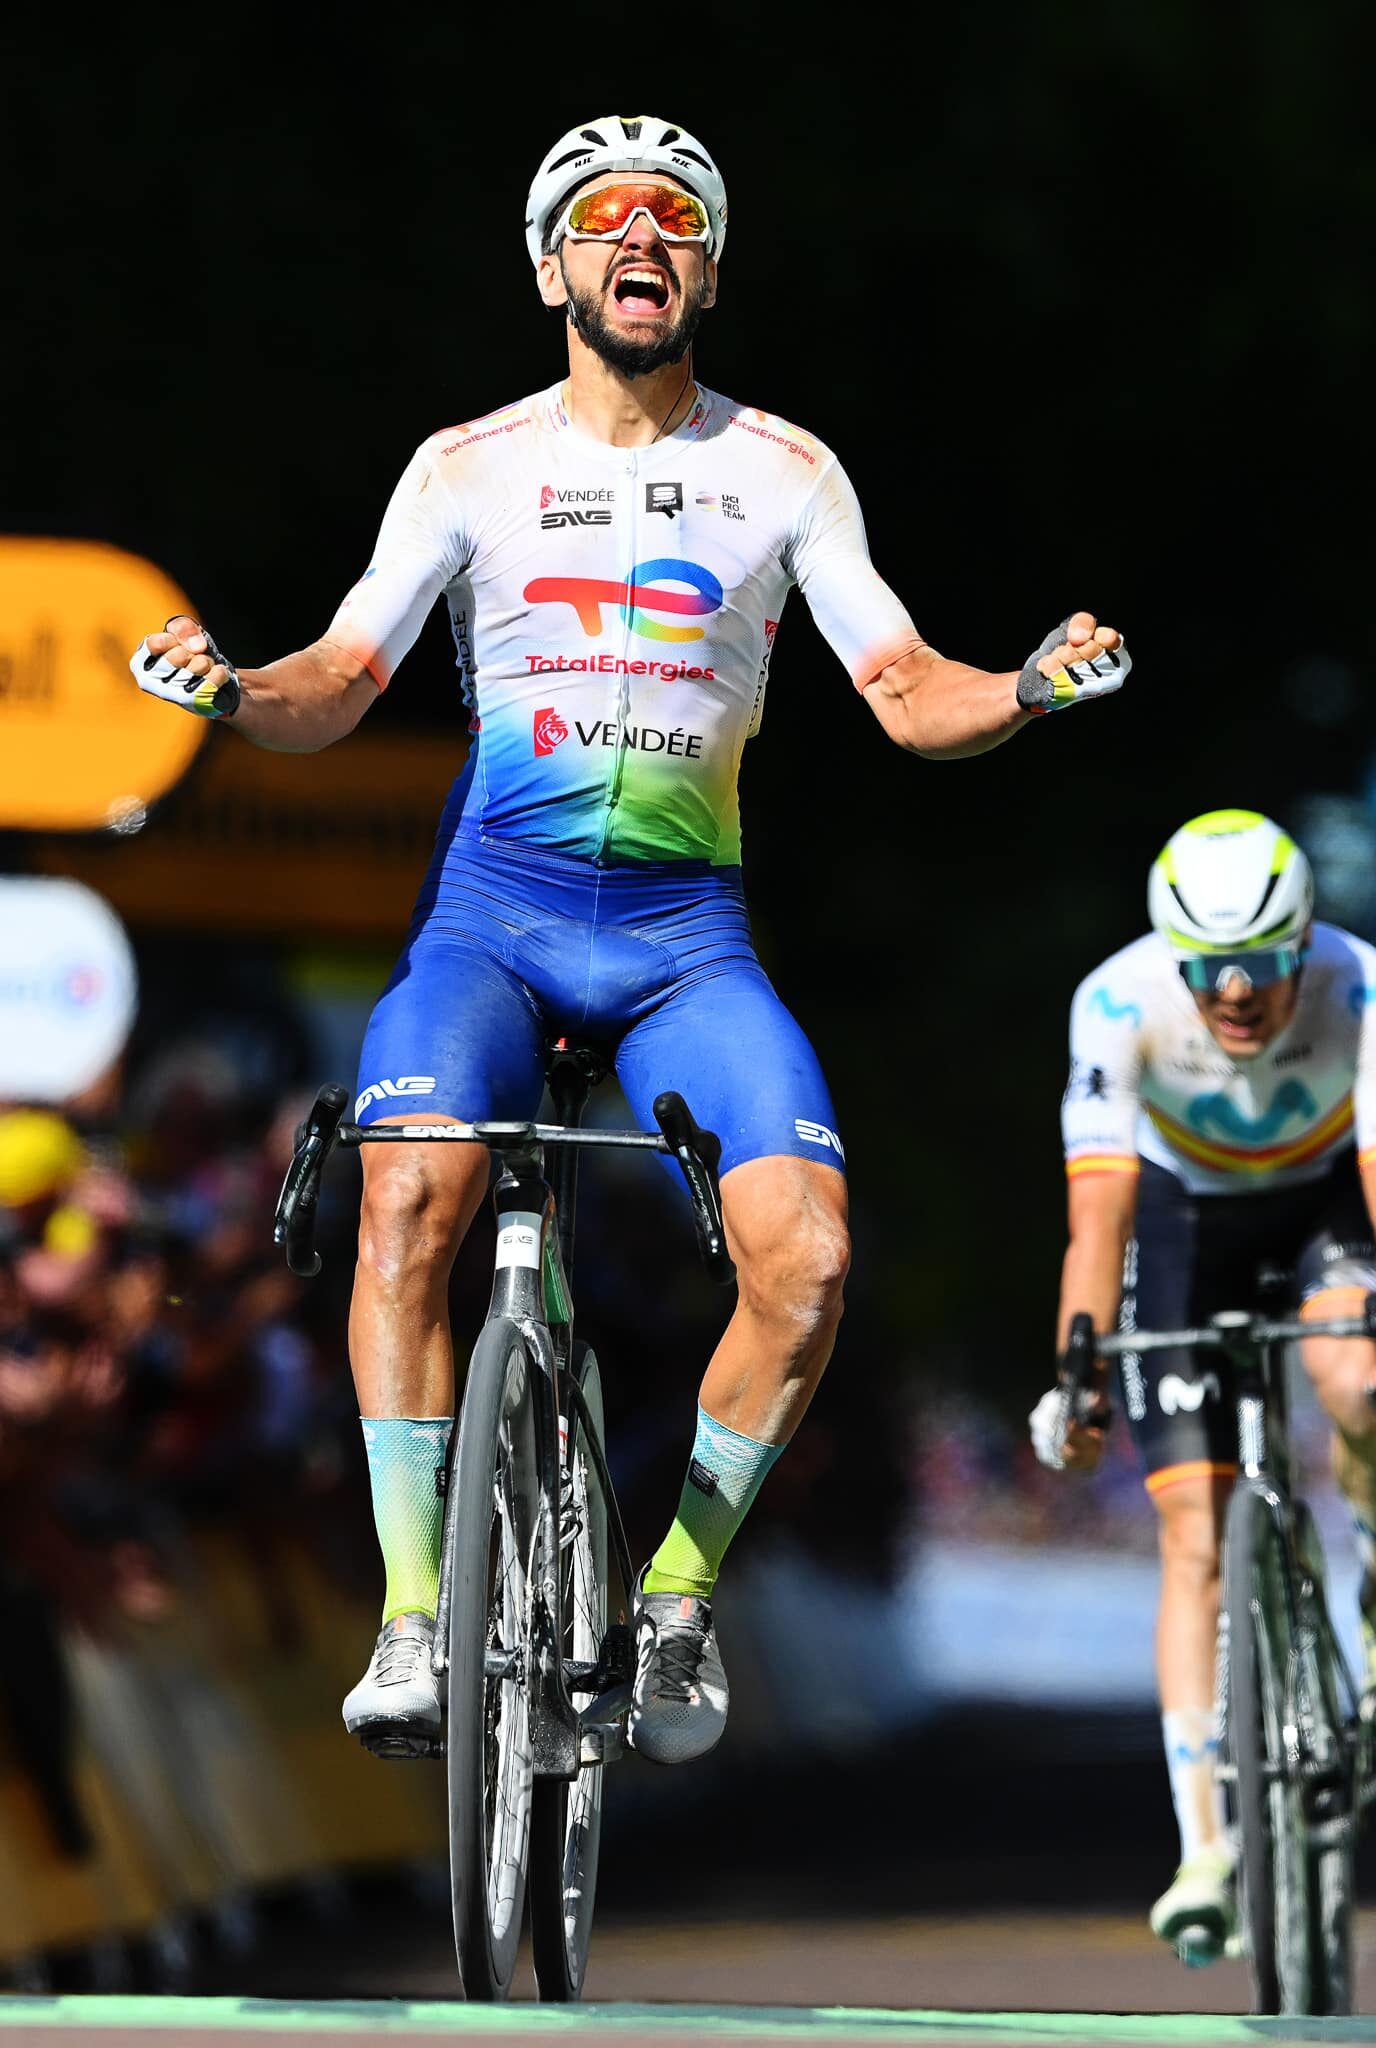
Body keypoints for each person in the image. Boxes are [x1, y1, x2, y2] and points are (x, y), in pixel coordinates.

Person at [130, 114, 1131, 1766]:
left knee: (804, 1260)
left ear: (709, 270)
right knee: (407, 1196)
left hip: (682, 946)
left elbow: (906, 690)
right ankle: (409, 1613)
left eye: (674, 219)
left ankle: (673, 1591)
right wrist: (233, 694)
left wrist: (1024, 687)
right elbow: (335, 678)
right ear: (551, 269)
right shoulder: (466, 465)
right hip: (489, 931)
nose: (638, 238)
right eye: (600, 220)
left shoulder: (786, 470)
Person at [1031, 810, 1376, 1958]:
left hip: (1320, 1205)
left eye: (1261, 964)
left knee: (1361, 1378)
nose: (1232, 991)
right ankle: (1203, 1847)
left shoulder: (1368, 986)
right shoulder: (1114, 1001)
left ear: (1302, 941)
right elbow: (1096, 1217)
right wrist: (1075, 1371)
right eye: (1206, 966)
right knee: (1189, 1537)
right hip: (1178, 1222)